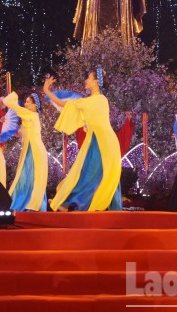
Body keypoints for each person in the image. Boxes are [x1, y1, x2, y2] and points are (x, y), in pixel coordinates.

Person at [46, 69, 122, 211]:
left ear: (95, 82)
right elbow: (66, 105)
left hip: (105, 142)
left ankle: (81, 205)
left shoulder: (100, 100)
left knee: (98, 174)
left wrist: (47, 90)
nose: (86, 81)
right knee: (86, 172)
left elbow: (67, 105)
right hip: (95, 141)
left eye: (88, 78)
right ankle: (72, 204)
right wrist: (47, 91)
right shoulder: (89, 101)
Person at [4, 90, 48, 212]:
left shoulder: (32, 115)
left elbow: (13, 106)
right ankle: (24, 203)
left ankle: (32, 204)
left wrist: (11, 99)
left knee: (32, 178)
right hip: (29, 151)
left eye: (28, 102)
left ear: (35, 105)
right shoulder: (28, 118)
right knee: (26, 178)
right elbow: (20, 133)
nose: (25, 104)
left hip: (35, 151)